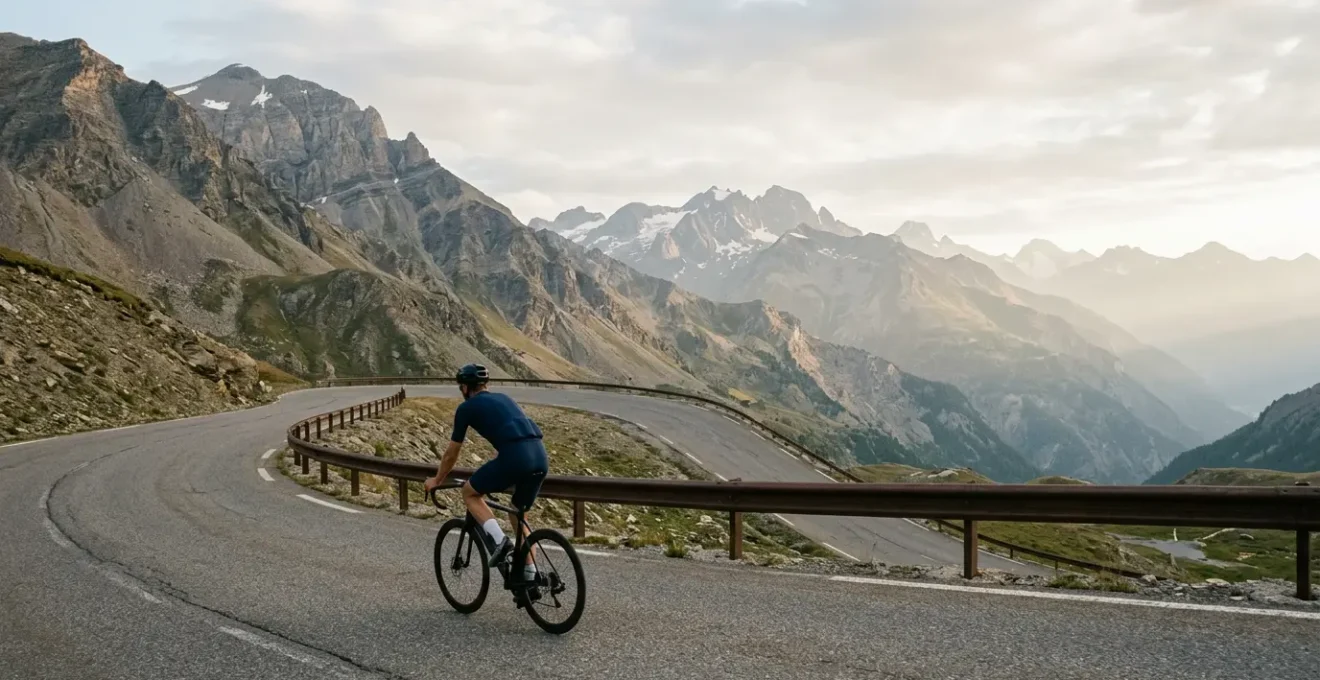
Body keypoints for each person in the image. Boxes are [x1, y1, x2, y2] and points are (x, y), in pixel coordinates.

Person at [424, 364, 548, 580]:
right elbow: (511, 433)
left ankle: (500, 542)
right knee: (518, 515)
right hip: (539, 457)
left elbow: (451, 454)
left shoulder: (466, 408)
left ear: (465, 388)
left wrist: (437, 479)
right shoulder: (505, 399)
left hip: (514, 458)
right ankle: (531, 578)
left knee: (470, 493)